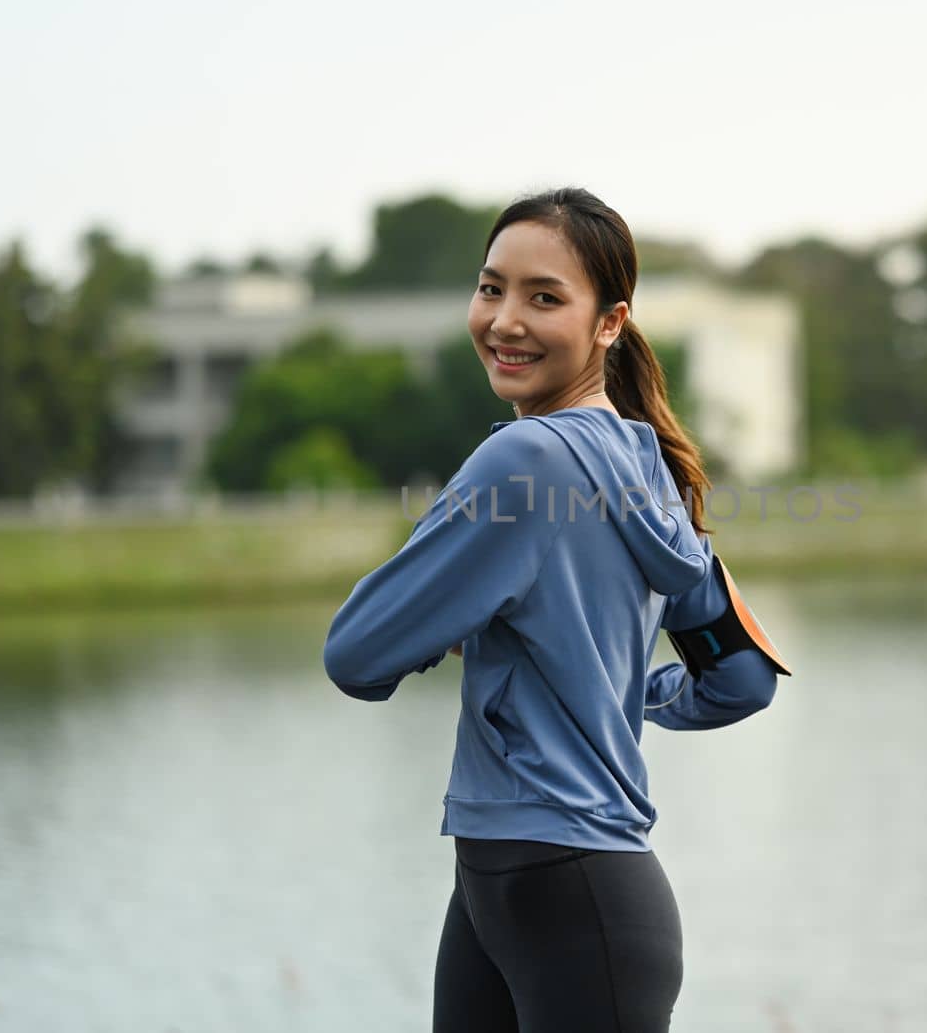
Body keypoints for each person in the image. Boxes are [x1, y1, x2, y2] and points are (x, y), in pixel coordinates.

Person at [321, 186, 792, 1032]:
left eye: (545, 298)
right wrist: (608, 686)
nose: (505, 320)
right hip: (520, 894)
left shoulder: (524, 459)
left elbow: (355, 651)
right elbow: (742, 677)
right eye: (491, 287)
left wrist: (566, 670)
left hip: (566, 896)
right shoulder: (655, 472)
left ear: (609, 323)